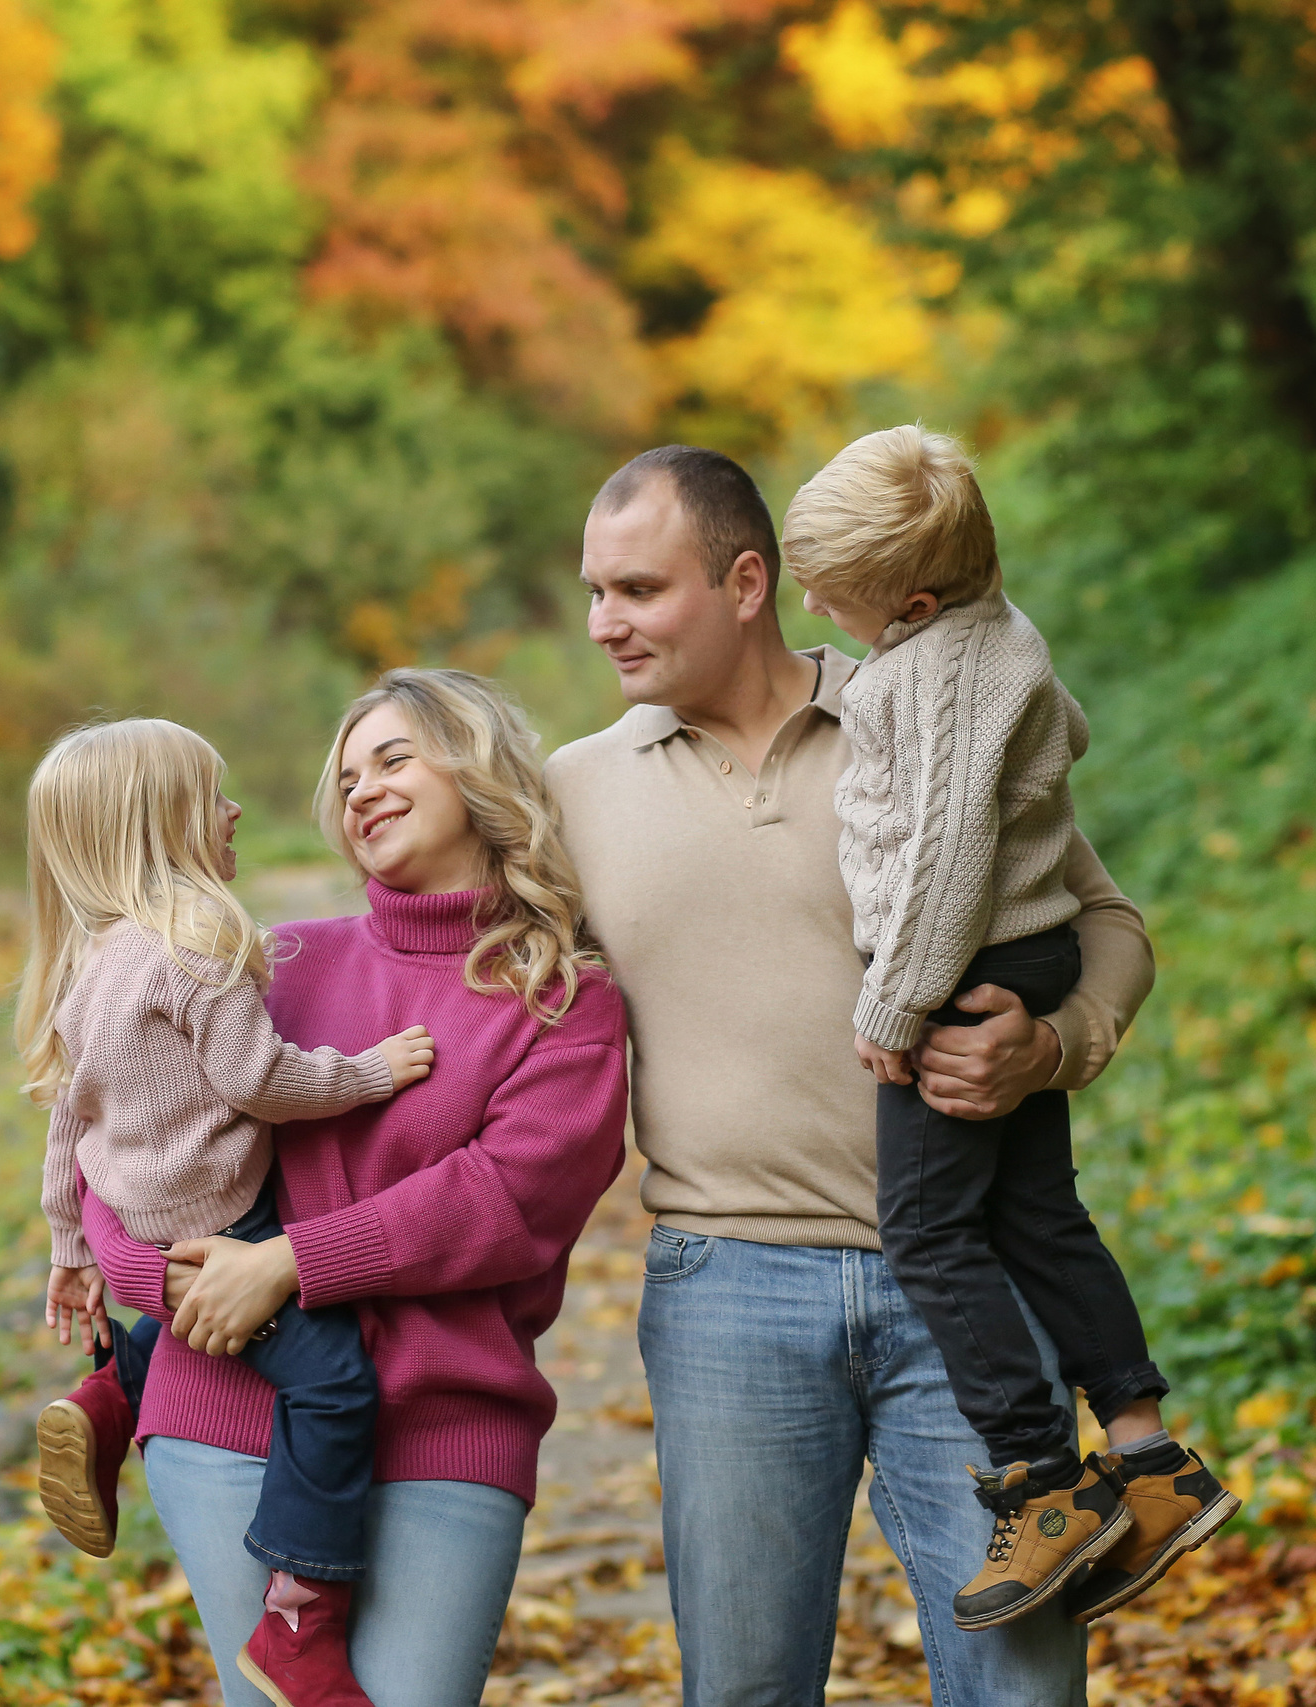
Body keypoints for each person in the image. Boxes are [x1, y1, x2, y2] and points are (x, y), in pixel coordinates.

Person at [546, 445, 1156, 1706]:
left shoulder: (924, 714)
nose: (605, 624)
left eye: (640, 591)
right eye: (595, 592)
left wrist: (1053, 1047)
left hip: (963, 1293)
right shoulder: (575, 791)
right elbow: (459, 975)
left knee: (1023, 1691)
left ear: (749, 581)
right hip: (727, 1295)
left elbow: (1105, 922)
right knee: (747, 1688)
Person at [77, 670, 629, 1707]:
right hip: (230, 1404)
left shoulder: (563, 1000)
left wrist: (291, 1262)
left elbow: (509, 1202)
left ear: (475, 770)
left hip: (443, 1424)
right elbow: (129, 1124)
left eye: (391, 759)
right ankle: (124, 1383)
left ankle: (117, 1385)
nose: (360, 789)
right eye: (345, 777)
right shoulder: (269, 962)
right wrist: (128, 1268)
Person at [783, 427, 1234, 1631]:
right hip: (1025, 952)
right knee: (1036, 1213)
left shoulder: (933, 674)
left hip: (959, 965)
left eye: (830, 593)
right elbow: (1061, 732)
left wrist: (893, 1002)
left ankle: (1042, 1480)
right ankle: (1146, 1455)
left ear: (916, 601)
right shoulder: (1000, 639)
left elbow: (943, 855)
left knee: (925, 1229)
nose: (810, 603)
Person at [16, 718, 442, 1707]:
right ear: (162, 828)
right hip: (224, 1224)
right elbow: (262, 1081)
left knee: (187, 1315)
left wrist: (69, 1243)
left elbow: (67, 1128)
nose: (234, 810)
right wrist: (371, 1072)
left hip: (141, 1212)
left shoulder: (95, 961)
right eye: (213, 798)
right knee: (333, 1386)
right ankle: (299, 1610)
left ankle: (108, 1397)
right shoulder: (198, 946)